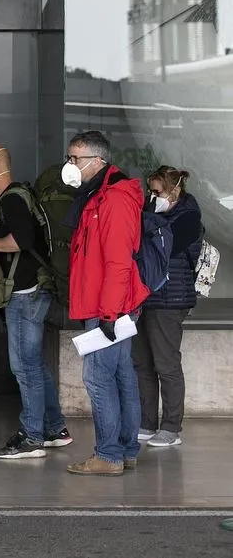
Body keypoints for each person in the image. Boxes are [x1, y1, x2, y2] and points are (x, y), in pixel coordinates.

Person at [0, 144, 72, 459]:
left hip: (26, 294)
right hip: (32, 291)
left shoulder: (11, 199)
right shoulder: (15, 197)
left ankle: (32, 436)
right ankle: (54, 429)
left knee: (24, 367)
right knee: (34, 363)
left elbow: (21, 240)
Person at [63, 130, 148, 476]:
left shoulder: (112, 199)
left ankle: (109, 455)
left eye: (75, 159)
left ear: (97, 162)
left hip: (108, 307)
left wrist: (111, 313)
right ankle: (125, 449)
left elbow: (117, 261)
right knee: (121, 375)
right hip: (105, 303)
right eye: (69, 157)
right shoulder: (96, 195)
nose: (69, 166)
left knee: (99, 378)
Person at [133, 166, 202, 448]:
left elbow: (163, 246)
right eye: (150, 191)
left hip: (170, 300)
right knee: (142, 364)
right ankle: (147, 422)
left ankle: (171, 427)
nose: (152, 196)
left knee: (166, 364)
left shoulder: (188, 217)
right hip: (145, 297)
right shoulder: (156, 214)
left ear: (175, 189)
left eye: (157, 191)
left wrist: (146, 218)